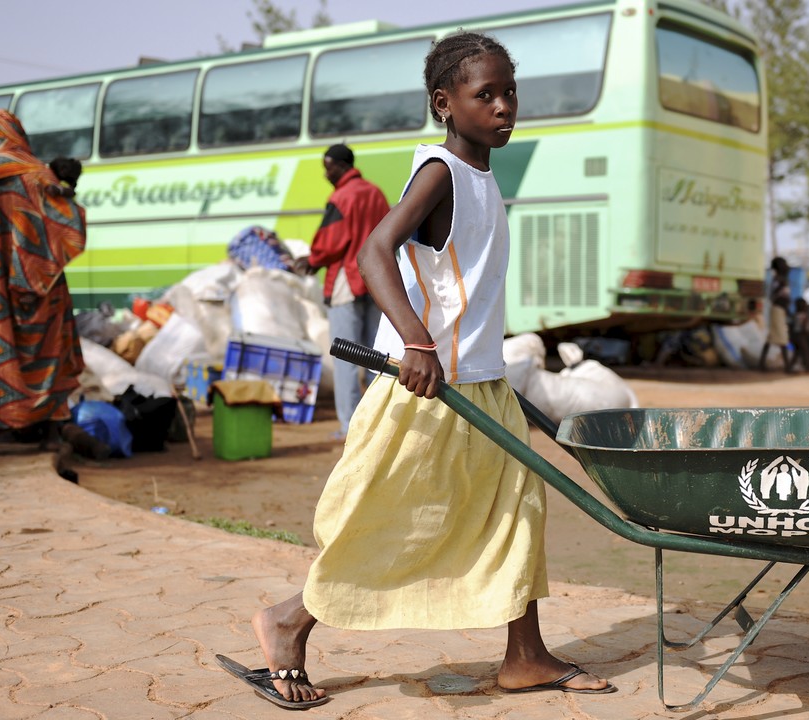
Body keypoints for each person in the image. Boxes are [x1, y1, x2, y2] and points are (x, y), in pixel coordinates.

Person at [230, 31, 612, 710]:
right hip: (425, 389)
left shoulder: (483, 178)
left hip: (480, 383)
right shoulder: (440, 172)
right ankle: (288, 621)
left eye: (509, 92)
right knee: (390, 515)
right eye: (484, 95)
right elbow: (375, 252)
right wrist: (416, 342)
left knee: (516, 510)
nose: (503, 106)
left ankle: (525, 656)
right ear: (444, 103)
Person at [0, 110, 87, 455]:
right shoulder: (36, 174)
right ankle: (52, 435)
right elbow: (67, 220)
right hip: (38, 281)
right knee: (48, 351)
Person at [296, 143, 390, 440]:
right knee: (378, 358)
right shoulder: (375, 193)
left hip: (346, 283)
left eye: (328, 168)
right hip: (377, 283)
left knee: (346, 358)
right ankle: (382, 426)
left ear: (340, 166)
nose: (326, 174)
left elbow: (330, 242)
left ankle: (350, 427)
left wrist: (312, 261)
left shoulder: (341, 197)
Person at [760, 256, 792, 372]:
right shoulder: (779, 280)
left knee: (772, 337)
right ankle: (787, 367)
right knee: (782, 337)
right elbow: (777, 296)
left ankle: (762, 363)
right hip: (778, 309)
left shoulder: (780, 279)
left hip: (779, 310)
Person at [791, 297, 809, 373]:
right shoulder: (805, 316)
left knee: (796, 353)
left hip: (795, 336)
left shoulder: (796, 315)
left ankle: (789, 367)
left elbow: (793, 326)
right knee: (806, 352)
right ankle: (808, 368)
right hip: (801, 336)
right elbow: (804, 327)